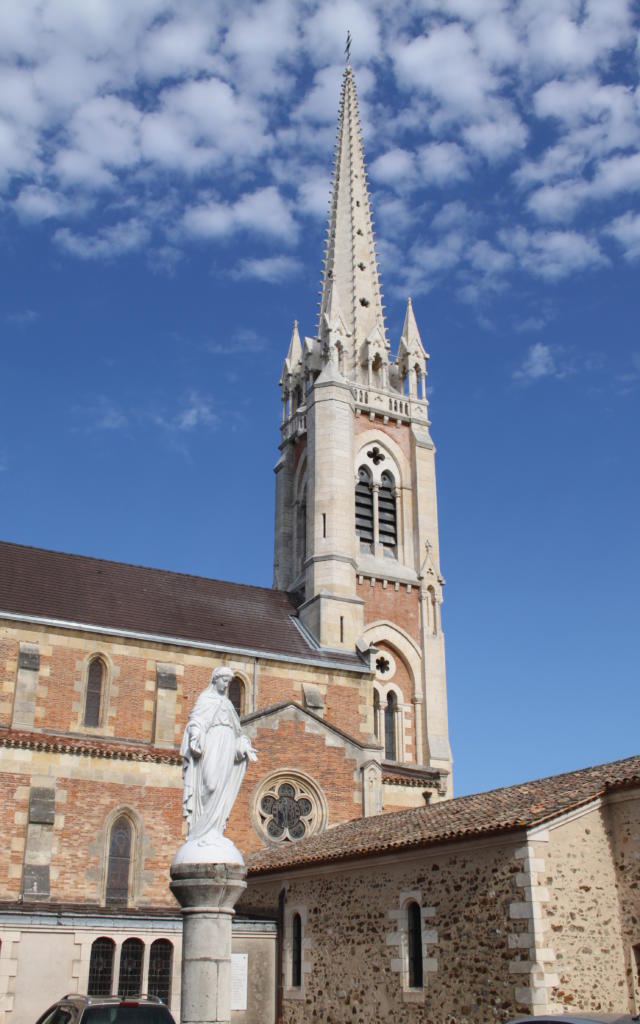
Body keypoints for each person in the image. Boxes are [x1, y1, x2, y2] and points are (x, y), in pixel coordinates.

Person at [180, 666, 257, 849]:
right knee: (210, 784)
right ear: (215, 680)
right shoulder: (205, 699)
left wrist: (242, 745)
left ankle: (215, 830)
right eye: (224, 681)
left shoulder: (228, 704)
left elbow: (237, 731)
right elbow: (196, 720)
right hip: (212, 742)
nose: (226, 685)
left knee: (222, 787)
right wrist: (195, 733)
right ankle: (200, 830)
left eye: (229, 682)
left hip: (227, 745)